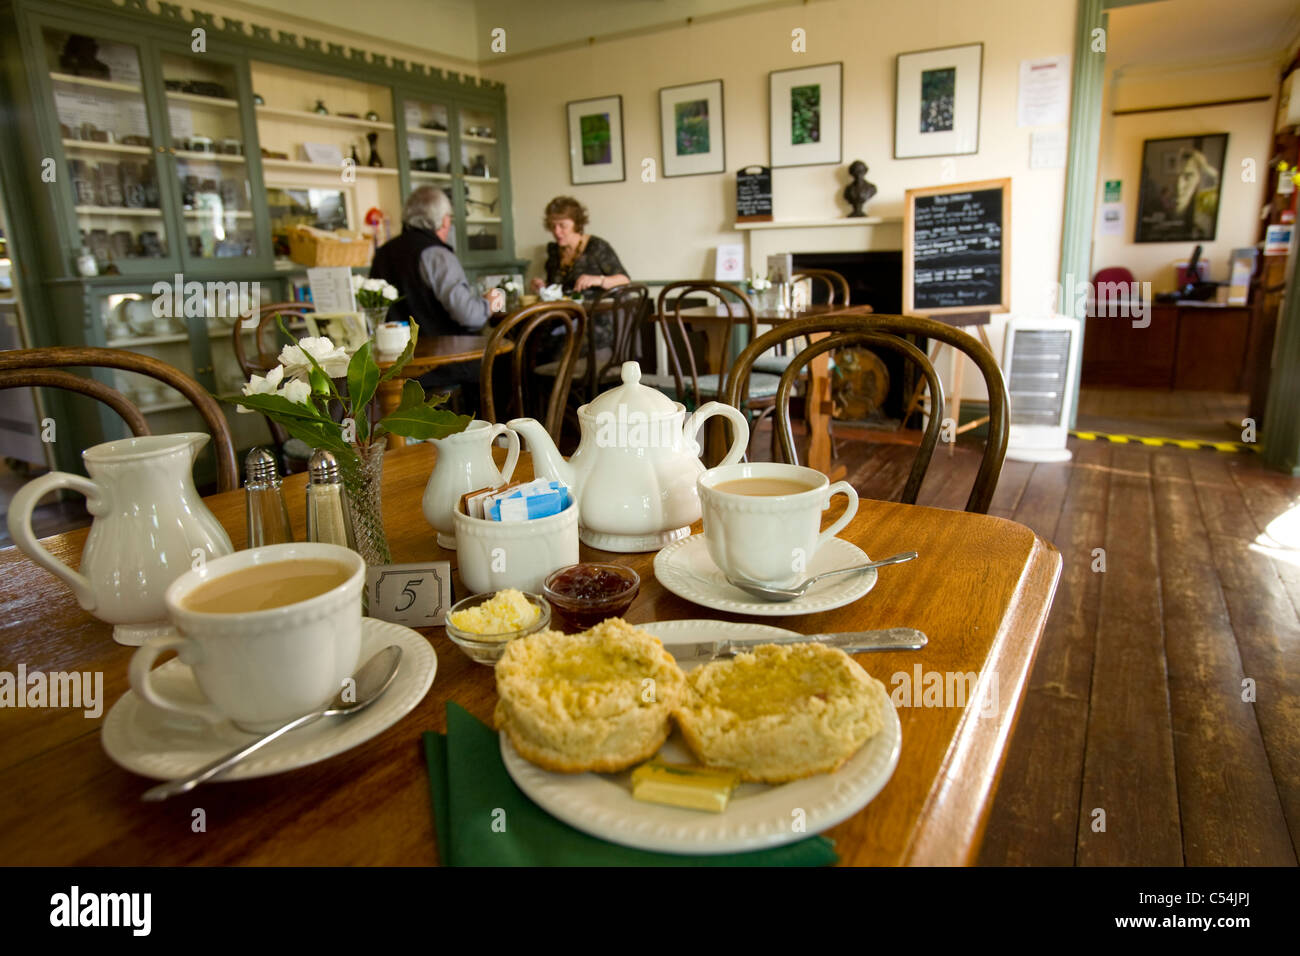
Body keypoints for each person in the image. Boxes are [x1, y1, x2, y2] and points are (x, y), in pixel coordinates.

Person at [370, 186, 503, 337]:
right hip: (446, 355)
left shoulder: (383, 252)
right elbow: (470, 316)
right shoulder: (437, 255)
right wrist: (489, 303)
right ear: (445, 221)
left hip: (396, 356)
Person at [529, 196, 629, 294]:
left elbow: (624, 280)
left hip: (599, 309)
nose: (557, 231)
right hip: (567, 309)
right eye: (552, 226)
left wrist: (598, 280)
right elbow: (556, 287)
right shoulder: (554, 251)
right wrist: (542, 287)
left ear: (576, 224)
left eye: (562, 226)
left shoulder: (596, 246)